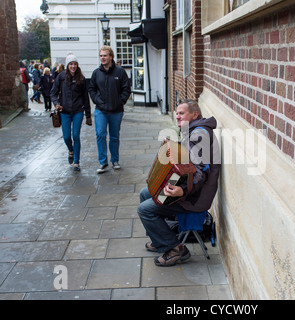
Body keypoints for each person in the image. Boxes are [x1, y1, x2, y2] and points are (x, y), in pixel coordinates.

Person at [137, 99, 220, 267]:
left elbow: (201, 171)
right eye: (177, 113)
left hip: (195, 198)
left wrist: (182, 191)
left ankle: (175, 249)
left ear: (195, 114)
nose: (177, 116)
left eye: (181, 113)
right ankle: (160, 239)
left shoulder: (199, 134)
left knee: (145, 210)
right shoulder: (192, 131)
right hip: (191, 191)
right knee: (145, 193)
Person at [88, 46, 131, 174]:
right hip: (101, 110)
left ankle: (115, 160)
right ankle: (103, 162)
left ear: (111, 57)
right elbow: (92, 88)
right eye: (101, 55)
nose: (103, 58)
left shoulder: (120, 72)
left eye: (105, 55)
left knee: (114, 136)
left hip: (116, 111)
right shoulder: (96, 73)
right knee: (100, 135)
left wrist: (120, 101)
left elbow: (126, 89)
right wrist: (96, 100)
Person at [51, 52, 92, 172]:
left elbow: (85, 97)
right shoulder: (61, 77)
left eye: (75, 64)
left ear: (77, 65)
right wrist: (56, 104)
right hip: (64, 111)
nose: (73, 66)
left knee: (76, 136)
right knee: (67, 137)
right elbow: (53, 93)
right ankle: (71, 150)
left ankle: (76, 162)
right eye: (71, 64)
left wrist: (88, 115)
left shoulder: (82, 79)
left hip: (78, 110)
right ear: (67, 65)